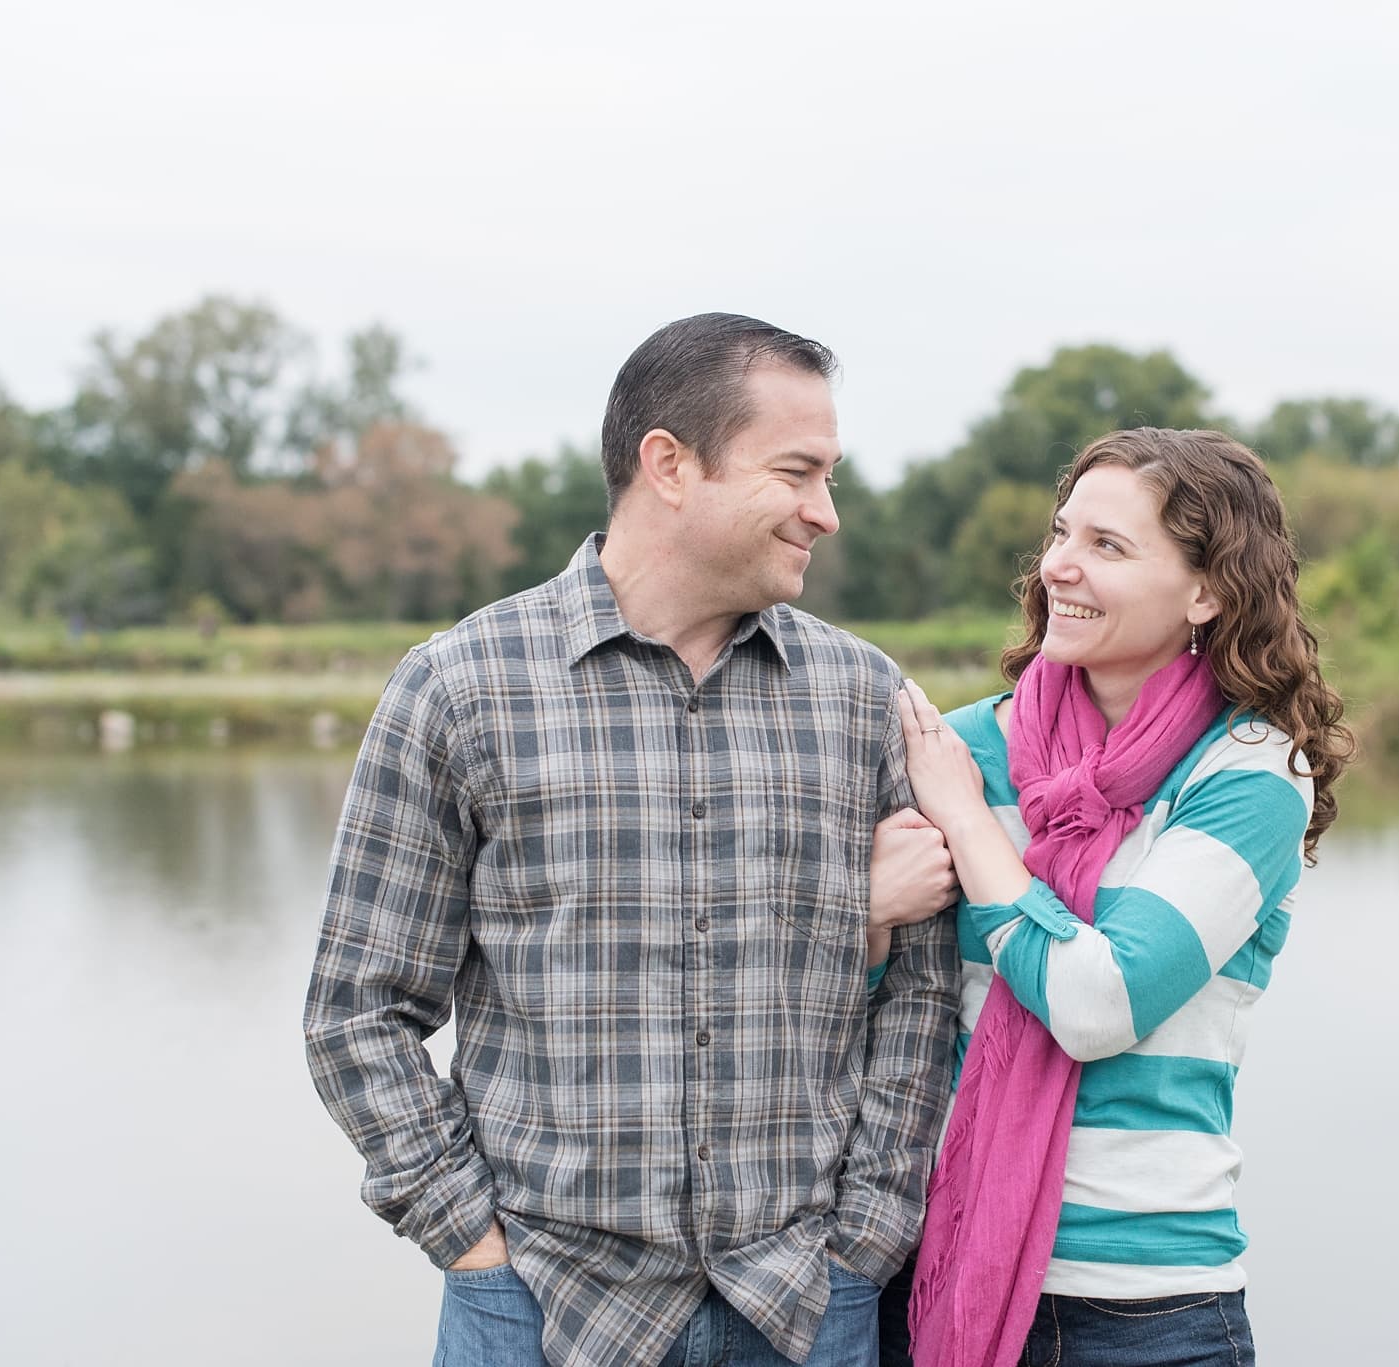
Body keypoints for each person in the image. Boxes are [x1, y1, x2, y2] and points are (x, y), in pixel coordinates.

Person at [303, 313, 960, 1367]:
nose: (824, 513)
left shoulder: (861, 698)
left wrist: (863, 1242)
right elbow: (357, 1010)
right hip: (537, 1307)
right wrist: (468, 1241)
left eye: (829, 476)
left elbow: (922, 996)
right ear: (668, 464)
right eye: (796, 472)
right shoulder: (462, 688)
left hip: (803, 1305)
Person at [879, 427, 1352, 1366]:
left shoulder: (1249, 774)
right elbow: (851, 1007)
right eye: (1061, 535)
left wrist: (973, 831)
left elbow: (1104, 1002)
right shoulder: (957, 748)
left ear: (1208, 591)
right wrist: (863, 915)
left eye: (1108, 546)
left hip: (1147, 1312)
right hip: (935, 1273)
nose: (1060, 566)